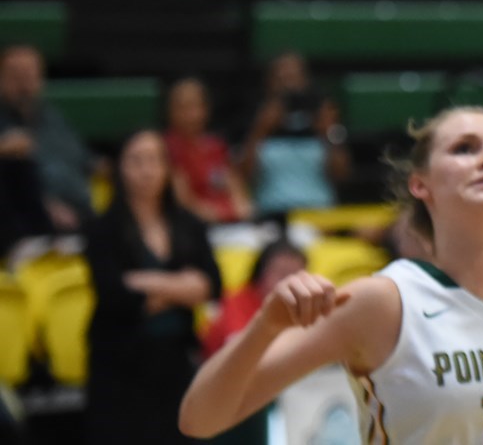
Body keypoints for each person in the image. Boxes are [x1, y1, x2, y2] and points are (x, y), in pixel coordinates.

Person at [180, 107, 483, 443]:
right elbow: (201, 419)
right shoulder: (384, 302)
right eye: (465, 148)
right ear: (421, 184)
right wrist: (265, 326)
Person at [84, 130, 222, 445]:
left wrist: (148, 281)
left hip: (176, 358)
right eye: (136, 161)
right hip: (119, 365)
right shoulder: (102, 228)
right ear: (119, 168)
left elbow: (212, 284)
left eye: (154, 160)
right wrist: (183, 288)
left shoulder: (189, 223)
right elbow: (114, 296)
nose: (147, 170)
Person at [239, 51, 350, 217]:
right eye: (282, 78)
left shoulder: (321, 116)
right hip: (272, 214)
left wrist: (328, 133)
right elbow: (243, 177)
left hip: (320, 216)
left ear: (306, 80)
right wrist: (260, 131)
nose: (289, 85)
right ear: (269, 82)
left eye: (294, 77)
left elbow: (342, 175)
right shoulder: (258, 118)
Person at [0, 44, 95, 232]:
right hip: (26, 222)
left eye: (29, 73)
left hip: (80, 210)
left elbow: (83, 158)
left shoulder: (54, 117)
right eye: (15, 74)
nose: (23, 81)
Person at [165, 76, 253, 224]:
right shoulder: (166, 147)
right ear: (170, 111)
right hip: (193, 224)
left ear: (205, 109)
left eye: (194, 106)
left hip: (227, 221)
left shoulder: (216, 145)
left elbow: (235, 188)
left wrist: (242, 206)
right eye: (182, 107)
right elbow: (184, 201)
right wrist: (215, 215)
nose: (189, 115)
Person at [203, 241, 309, 358]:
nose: (290, 281)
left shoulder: (304, 303)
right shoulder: (235, 301)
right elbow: (238, 349)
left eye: (296, 274)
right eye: (281, 273)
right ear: (261, 273)